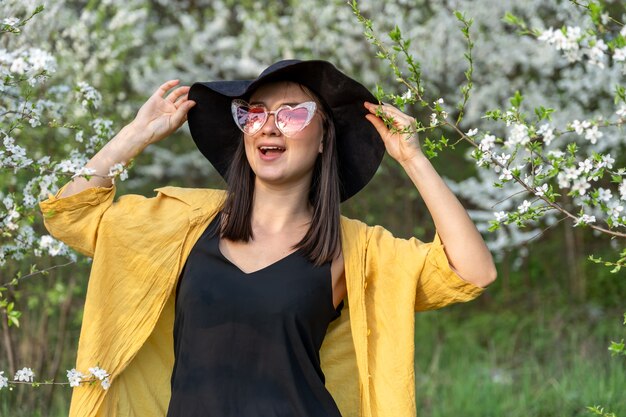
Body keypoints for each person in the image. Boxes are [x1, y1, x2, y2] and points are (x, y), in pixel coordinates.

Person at [40, 60, 496, 417]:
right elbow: (70, 215)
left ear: (323, 139)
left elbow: (472, 271)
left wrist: (413, 159)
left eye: (293, 114)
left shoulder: (352, 250)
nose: (270, 126)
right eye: (255, 114)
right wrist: (137, 135)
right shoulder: (181, 223)